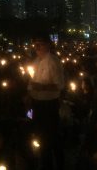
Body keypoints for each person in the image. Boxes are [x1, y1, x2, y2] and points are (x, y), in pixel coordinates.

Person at [26, 37, 65, 169]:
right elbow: (32, 83)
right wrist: (30, 95)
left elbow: (59, 85)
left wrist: (42, 87)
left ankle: (57, 164)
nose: (37, 47)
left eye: (40, 44)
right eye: (35, 44)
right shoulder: (36, 61)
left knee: (51, 138)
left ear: (48, 45)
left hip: (49, 106)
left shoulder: (53, 61)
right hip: (37, 105)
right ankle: (44, 163)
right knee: (41, 137)